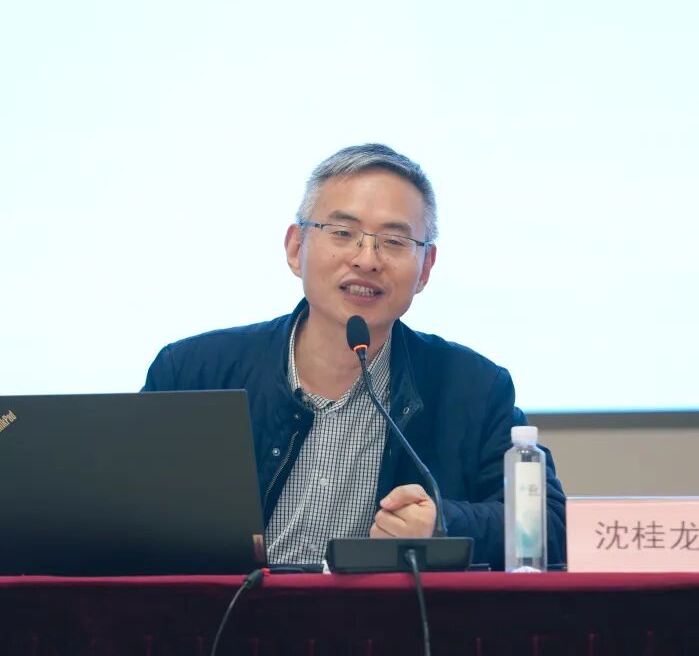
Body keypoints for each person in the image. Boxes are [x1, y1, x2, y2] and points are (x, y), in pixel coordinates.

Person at [142, 143, 566, 569]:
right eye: (343, 233)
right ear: (295, 248)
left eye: (394, 241)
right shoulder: (192, 372)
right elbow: (128, 520)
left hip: (388, 614)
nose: (367, 260)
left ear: (425, 268)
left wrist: (444, 523)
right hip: (228, 611)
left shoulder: (473, 388)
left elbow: (551, 527)